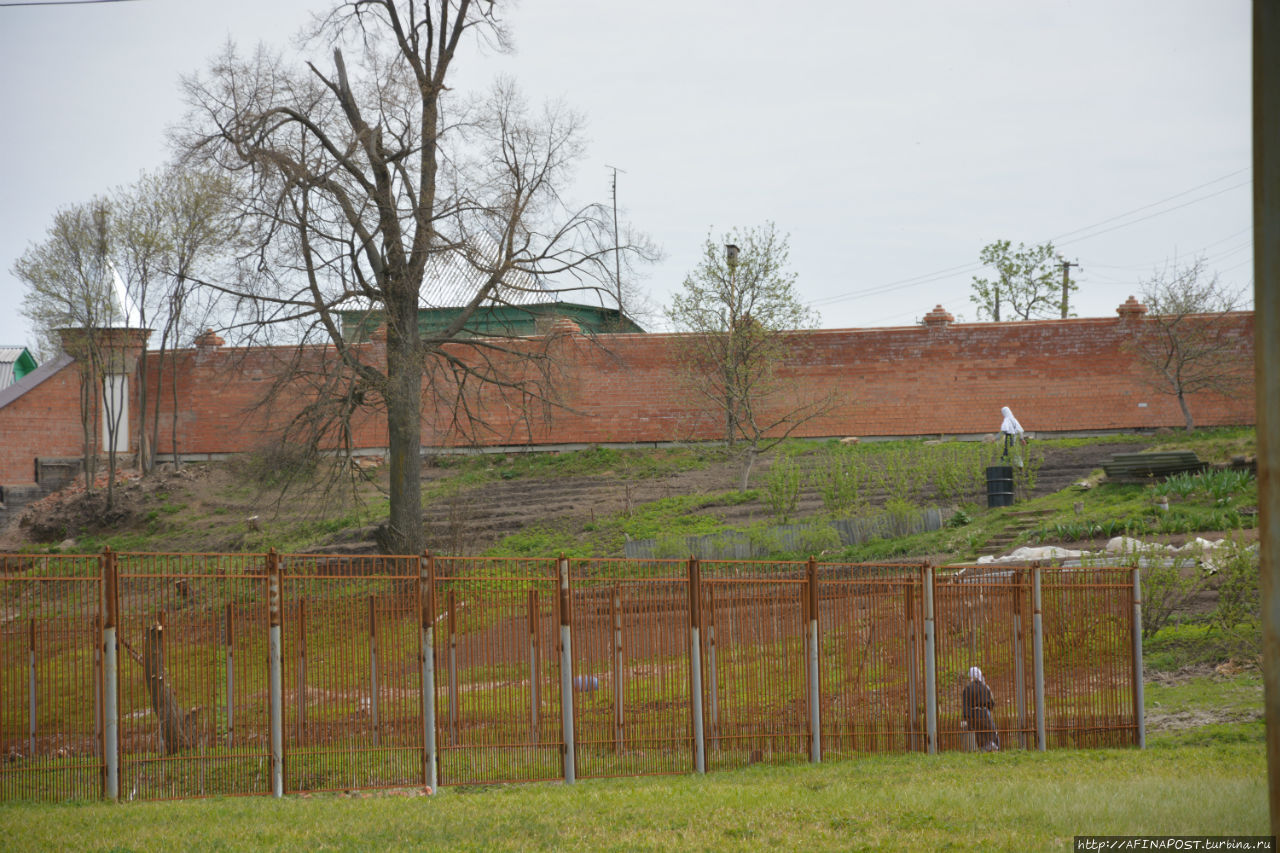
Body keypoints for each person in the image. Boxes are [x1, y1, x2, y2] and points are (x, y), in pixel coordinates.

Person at [962, 666, 1000, 752]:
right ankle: (995, 748)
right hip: (985, 713)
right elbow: (991, 703)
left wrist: (966, 718)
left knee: (979, 733)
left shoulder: (968, 688)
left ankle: (983, 750)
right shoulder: (986, 687)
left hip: (974, 713)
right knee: (991, 732)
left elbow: (966, 705)